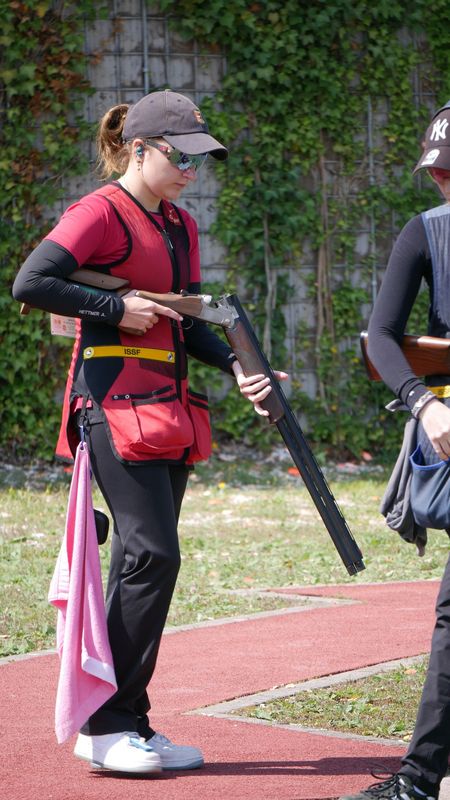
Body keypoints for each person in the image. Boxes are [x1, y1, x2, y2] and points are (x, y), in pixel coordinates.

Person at [12, 89, 287, 775]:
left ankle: (127, 718)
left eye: (200, 159)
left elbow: (187, 320)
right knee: (153, 555)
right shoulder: (97, 212)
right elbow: (32, 281)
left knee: (144, 563)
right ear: (138, 149)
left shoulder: (180, 225)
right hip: (110, 407)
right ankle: (105, 726)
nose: (191, 170)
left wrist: (240, 367)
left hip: (169, 410)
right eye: (180, 156)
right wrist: (114, 307)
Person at [338, 101, 450, 800]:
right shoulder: (426, 232)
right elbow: (381, 336)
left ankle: (419, 779)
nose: (443, 181)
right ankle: (420, 778)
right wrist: (424, 402)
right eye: (439, 170)